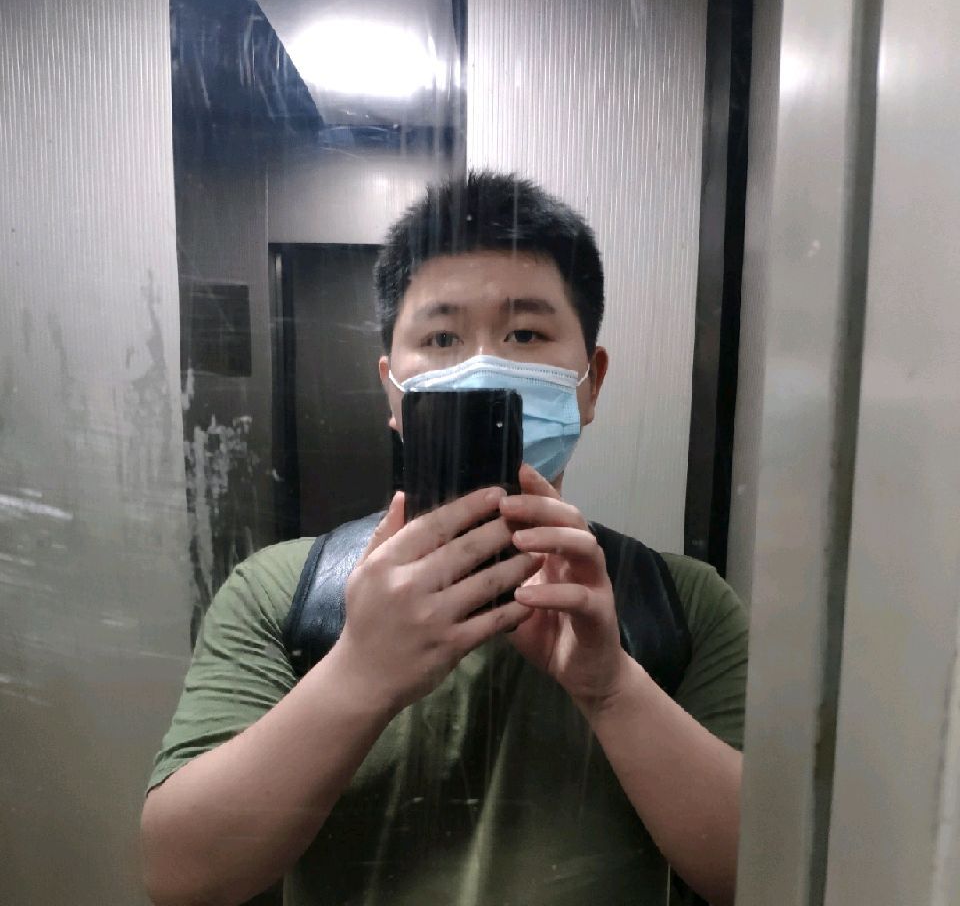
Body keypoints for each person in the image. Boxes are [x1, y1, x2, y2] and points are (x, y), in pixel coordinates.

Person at [141, 171, 748, 906]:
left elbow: (761, 873)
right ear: (392, 389)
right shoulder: (279, 593)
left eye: (525, 333)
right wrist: (360, 672)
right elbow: (183, 878)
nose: (480, 368)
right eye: (441, 337)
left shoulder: (684, 605)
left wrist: (612, 688)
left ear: (590, 383)